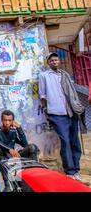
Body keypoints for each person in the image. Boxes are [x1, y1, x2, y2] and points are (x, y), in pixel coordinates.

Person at [38, 52, 84, 181]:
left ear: (59, 61)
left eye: (56, 60)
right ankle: (69, 171)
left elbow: (71, 92)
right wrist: (47, 111)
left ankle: (76, 169)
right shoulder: (44, 76)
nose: (54, 62)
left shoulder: (65, 75)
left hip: (71, 112)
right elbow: (42, 95)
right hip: (57, 114)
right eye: (52, 60)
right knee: (66, 141)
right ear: (48, 62)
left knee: (75, 141)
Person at [0, 110, 39, 191]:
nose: (7, 123)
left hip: (13, 158)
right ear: (2, 120)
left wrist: (19, 129)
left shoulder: (13, 131)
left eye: (9, 120)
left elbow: (25, 144)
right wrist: (9, 149)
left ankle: (33, 175)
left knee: (32, 147)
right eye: (5, 120)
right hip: (2, 159)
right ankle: (8, 185)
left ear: (13, 121)